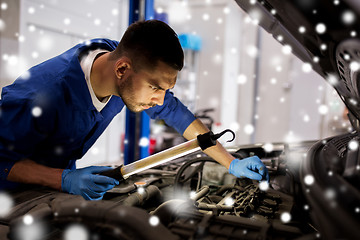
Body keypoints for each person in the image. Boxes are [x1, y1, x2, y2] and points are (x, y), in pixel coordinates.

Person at [0, 20, 268, 200]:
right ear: (122, 70)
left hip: (53, 190)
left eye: (165, 89)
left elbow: (174, 111)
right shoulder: (41, 97)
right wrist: (65, 179)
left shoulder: (115, 61)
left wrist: (231, 162)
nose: (161, 100)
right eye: (155, 88)